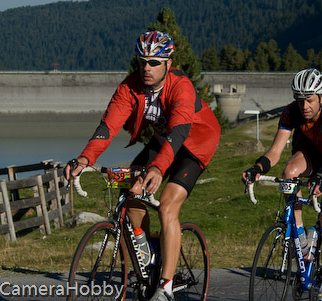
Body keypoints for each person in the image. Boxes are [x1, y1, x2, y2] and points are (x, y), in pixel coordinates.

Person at [65, 30, 220, 301]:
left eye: (154, 62)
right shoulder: (131, 86)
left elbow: (179, 133)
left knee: (169, 204)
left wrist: (158, 168)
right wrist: (84, 159)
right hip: (162, 141)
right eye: (142, 61)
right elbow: (107, 127)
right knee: (129, 190)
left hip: (194, 146)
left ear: (168, 64)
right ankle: (147, 252)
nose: (146, 68)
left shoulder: (180, 86)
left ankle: (166, 287)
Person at [242, 68, 322, 301]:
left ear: (321, 96)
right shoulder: (291, 112)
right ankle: (300, 235)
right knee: (289, 171)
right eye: (300, 101)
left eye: (309, 100)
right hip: (313, 152)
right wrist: (257, 168)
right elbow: (276, 151)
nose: (304, 106)